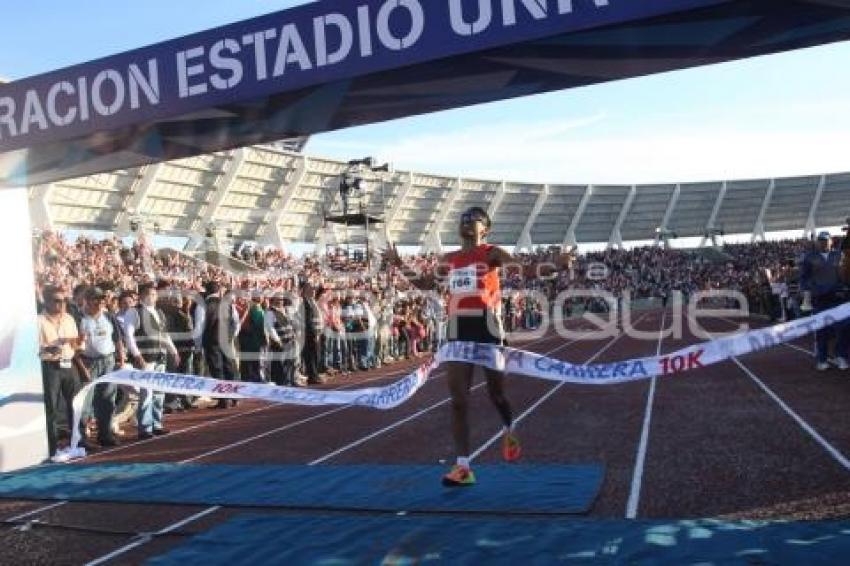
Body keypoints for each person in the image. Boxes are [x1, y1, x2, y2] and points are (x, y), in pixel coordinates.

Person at [387, 207, 573, 486]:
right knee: (459, 401)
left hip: (488, 326)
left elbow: (524, 270)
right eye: (463, 217)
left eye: (474, 217)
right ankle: (463, 467)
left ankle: (509, 427)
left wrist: (556, 265)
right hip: (456, 328)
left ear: (485, 228)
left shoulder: (491, 253)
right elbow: (425, 283)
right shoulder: (449, 259)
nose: (466, 220)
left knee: (496, 394)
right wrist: (398, 263)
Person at [124, 283, 179, 439]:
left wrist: (173, 350)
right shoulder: (134, 312)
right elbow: (129, 336)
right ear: (141, 296)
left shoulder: (159, 312)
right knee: (146, 393)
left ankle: (156, 423)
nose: (153, 297)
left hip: (160, 356)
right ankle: (145, 427)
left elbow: (164, 334)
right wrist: (137, 355)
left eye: (154, 294)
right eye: (149, 294)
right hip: (145, 358)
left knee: (159, 392)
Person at [37, 285, 88, 456]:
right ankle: (51, 447)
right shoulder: (38, 321)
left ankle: (80, 441)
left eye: (64, 300)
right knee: (51, 409)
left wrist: (79, 342)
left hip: (69, 364)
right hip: (50, 367)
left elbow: (75, 345)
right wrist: (53, 346)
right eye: (57, 301)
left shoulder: (69, 318)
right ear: (47, 301)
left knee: (75, 405)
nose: (62, 304)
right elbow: (36, 349)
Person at [78, 286, 125, 447]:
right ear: (87, 300)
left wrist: (122, 359)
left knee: (107, 400)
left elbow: (118, 339)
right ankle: (82, 438)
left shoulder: (109, 317)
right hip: (88, 362)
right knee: (86, 402)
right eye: (95, 299)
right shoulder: (80, 318)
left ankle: (105, 434)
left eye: (101, 299)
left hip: (108, 361)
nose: (99, 302)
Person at [800, 231, 849, 371]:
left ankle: (842, 356)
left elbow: (844, 273)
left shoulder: (838, 255)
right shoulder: (809, 258)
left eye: (826, 240)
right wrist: (808, 291)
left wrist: (844, 287)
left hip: (838, 298)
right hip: (819, 299)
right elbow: (804, 278)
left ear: (831, 241)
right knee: (822, 329)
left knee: (843, 328)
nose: (823, 242)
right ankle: (822, 359)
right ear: (817, 242)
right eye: (821, 240)